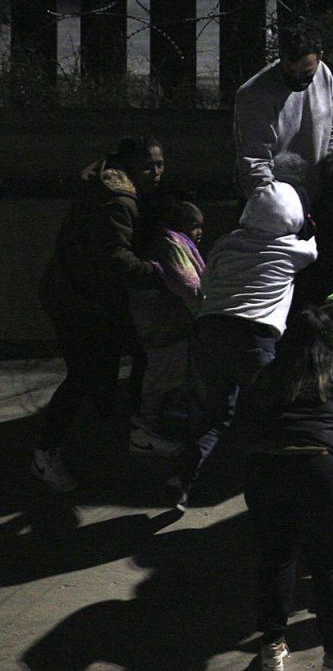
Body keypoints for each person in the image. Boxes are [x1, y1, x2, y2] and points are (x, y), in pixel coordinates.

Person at [244, 308, 333, 671]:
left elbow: (245, 422)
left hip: (265, 467)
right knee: (329, 565)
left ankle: (272, 649)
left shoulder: (268, 375)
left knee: (276, 557)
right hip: (319, 467)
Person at [174, 160, 317, 508]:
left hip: (208, 332)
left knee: (217, 415)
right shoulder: (294, 251)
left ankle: (181, 479)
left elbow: (208, 282)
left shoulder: (226, 244)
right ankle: (277, 489)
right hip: (254, 340)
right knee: (274, 412)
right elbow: (314, 245)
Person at [32, 137, 166, 492]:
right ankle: (46, 452)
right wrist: (160, 274)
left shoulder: (111, 185)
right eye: (148, 166)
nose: (156, 172)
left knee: (118, 359)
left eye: (160, 165)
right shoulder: (116, 202)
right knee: (85, 373)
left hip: (82, 296)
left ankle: (124, 427)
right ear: (130, 169)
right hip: (80, 300)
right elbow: (114, 258)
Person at [127, 196, 206, 457]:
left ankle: (156, 424)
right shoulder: (170, 244)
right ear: (181, 226)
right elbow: (189, 285)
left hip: (167, 323)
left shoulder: (172, 242)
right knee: (161, 376)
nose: (200, 233)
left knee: (168, 375)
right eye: (195, 227)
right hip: (162, 324)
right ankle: (143, 432)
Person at [234, 20, 333, 198]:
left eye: (306, 73)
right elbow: (255, 159)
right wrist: (273, 201)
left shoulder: (324, 74)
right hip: (275, 200)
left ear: (320, 57)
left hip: (316, 191)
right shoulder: (257, 93)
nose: (297, 78)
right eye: (290, 71)